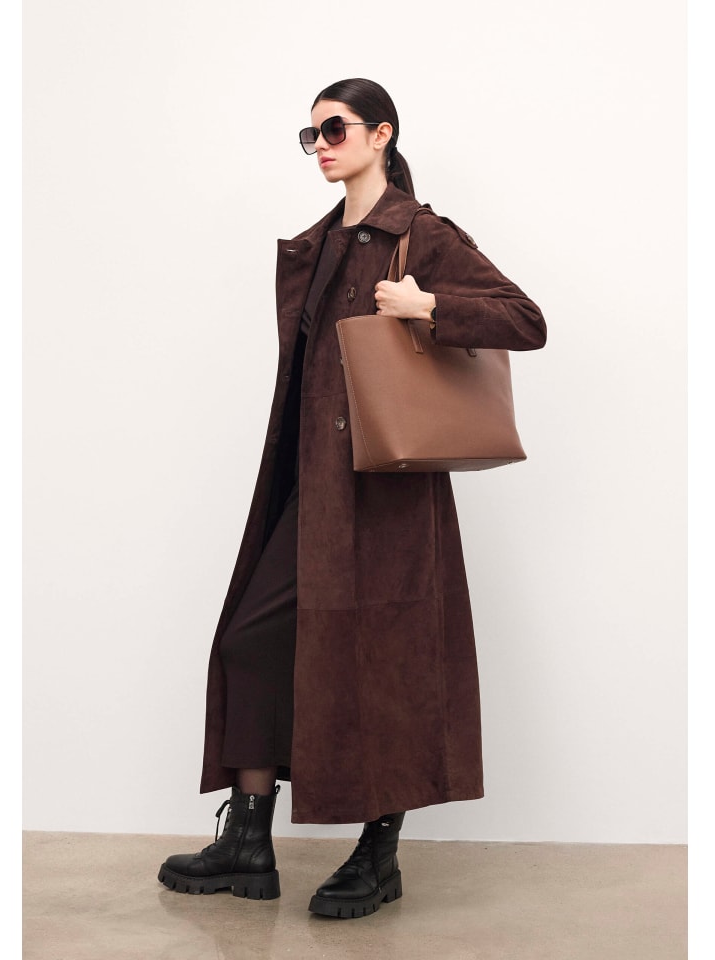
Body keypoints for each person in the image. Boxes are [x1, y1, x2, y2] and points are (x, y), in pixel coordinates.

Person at [158, 78, 546, 919]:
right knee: (250, 639)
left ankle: (379, 854)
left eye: (334, 129)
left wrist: (428, 303)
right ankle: (248, 843)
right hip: (312, 487)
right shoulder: (321, 242)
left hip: (388, 493)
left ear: (381, 134)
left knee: (387, 663)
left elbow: (526, 319)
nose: (321, 146)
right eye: (311, 135)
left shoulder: (421, 234)